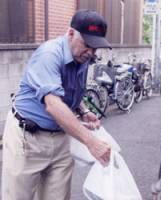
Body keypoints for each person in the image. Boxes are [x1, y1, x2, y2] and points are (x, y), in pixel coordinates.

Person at [2, 9, 111, 200]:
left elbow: (70, 90)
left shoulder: (83, 57)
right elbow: (53, 104)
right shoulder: (48, 54)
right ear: (70, 33)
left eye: (95, 47)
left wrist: (83, 110)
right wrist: (91, 142)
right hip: (28, 139)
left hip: (61, 139)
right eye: (87, 45)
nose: (91, 52)